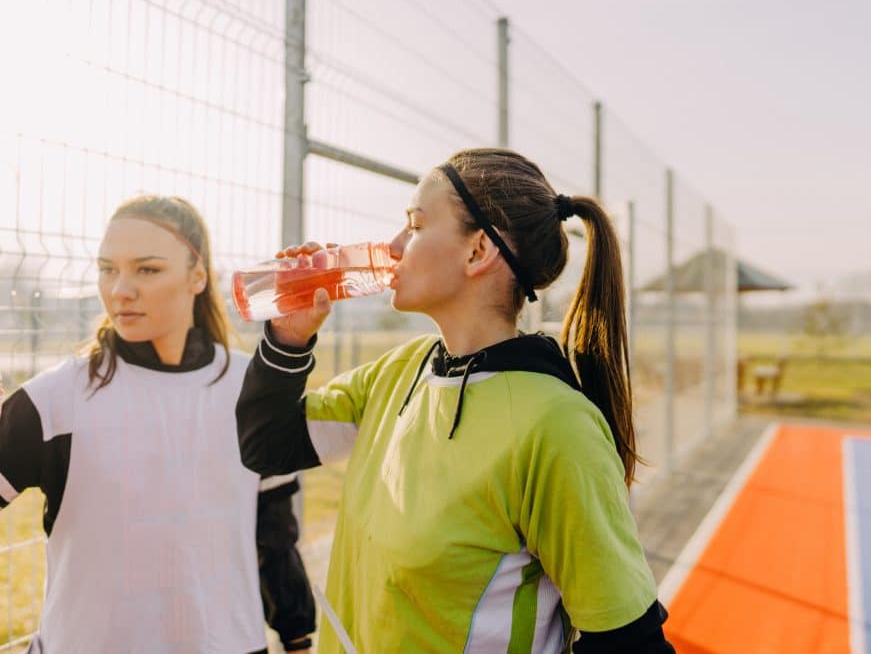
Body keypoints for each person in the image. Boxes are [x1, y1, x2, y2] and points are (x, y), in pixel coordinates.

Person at [236, 148, 676, 653]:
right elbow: (267, 448)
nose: (395, 245)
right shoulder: (398, 372)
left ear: (478, 250)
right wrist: (288, 341)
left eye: (416, 225)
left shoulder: (555, 425)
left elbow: (628, 640)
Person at [0, 196, 315, 653]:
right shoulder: (54, 400)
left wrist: (297, 638)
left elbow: (275, 536)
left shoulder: (252, 390)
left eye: (146, 269)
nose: (120, 290)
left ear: (198, 277)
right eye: (108, 269)